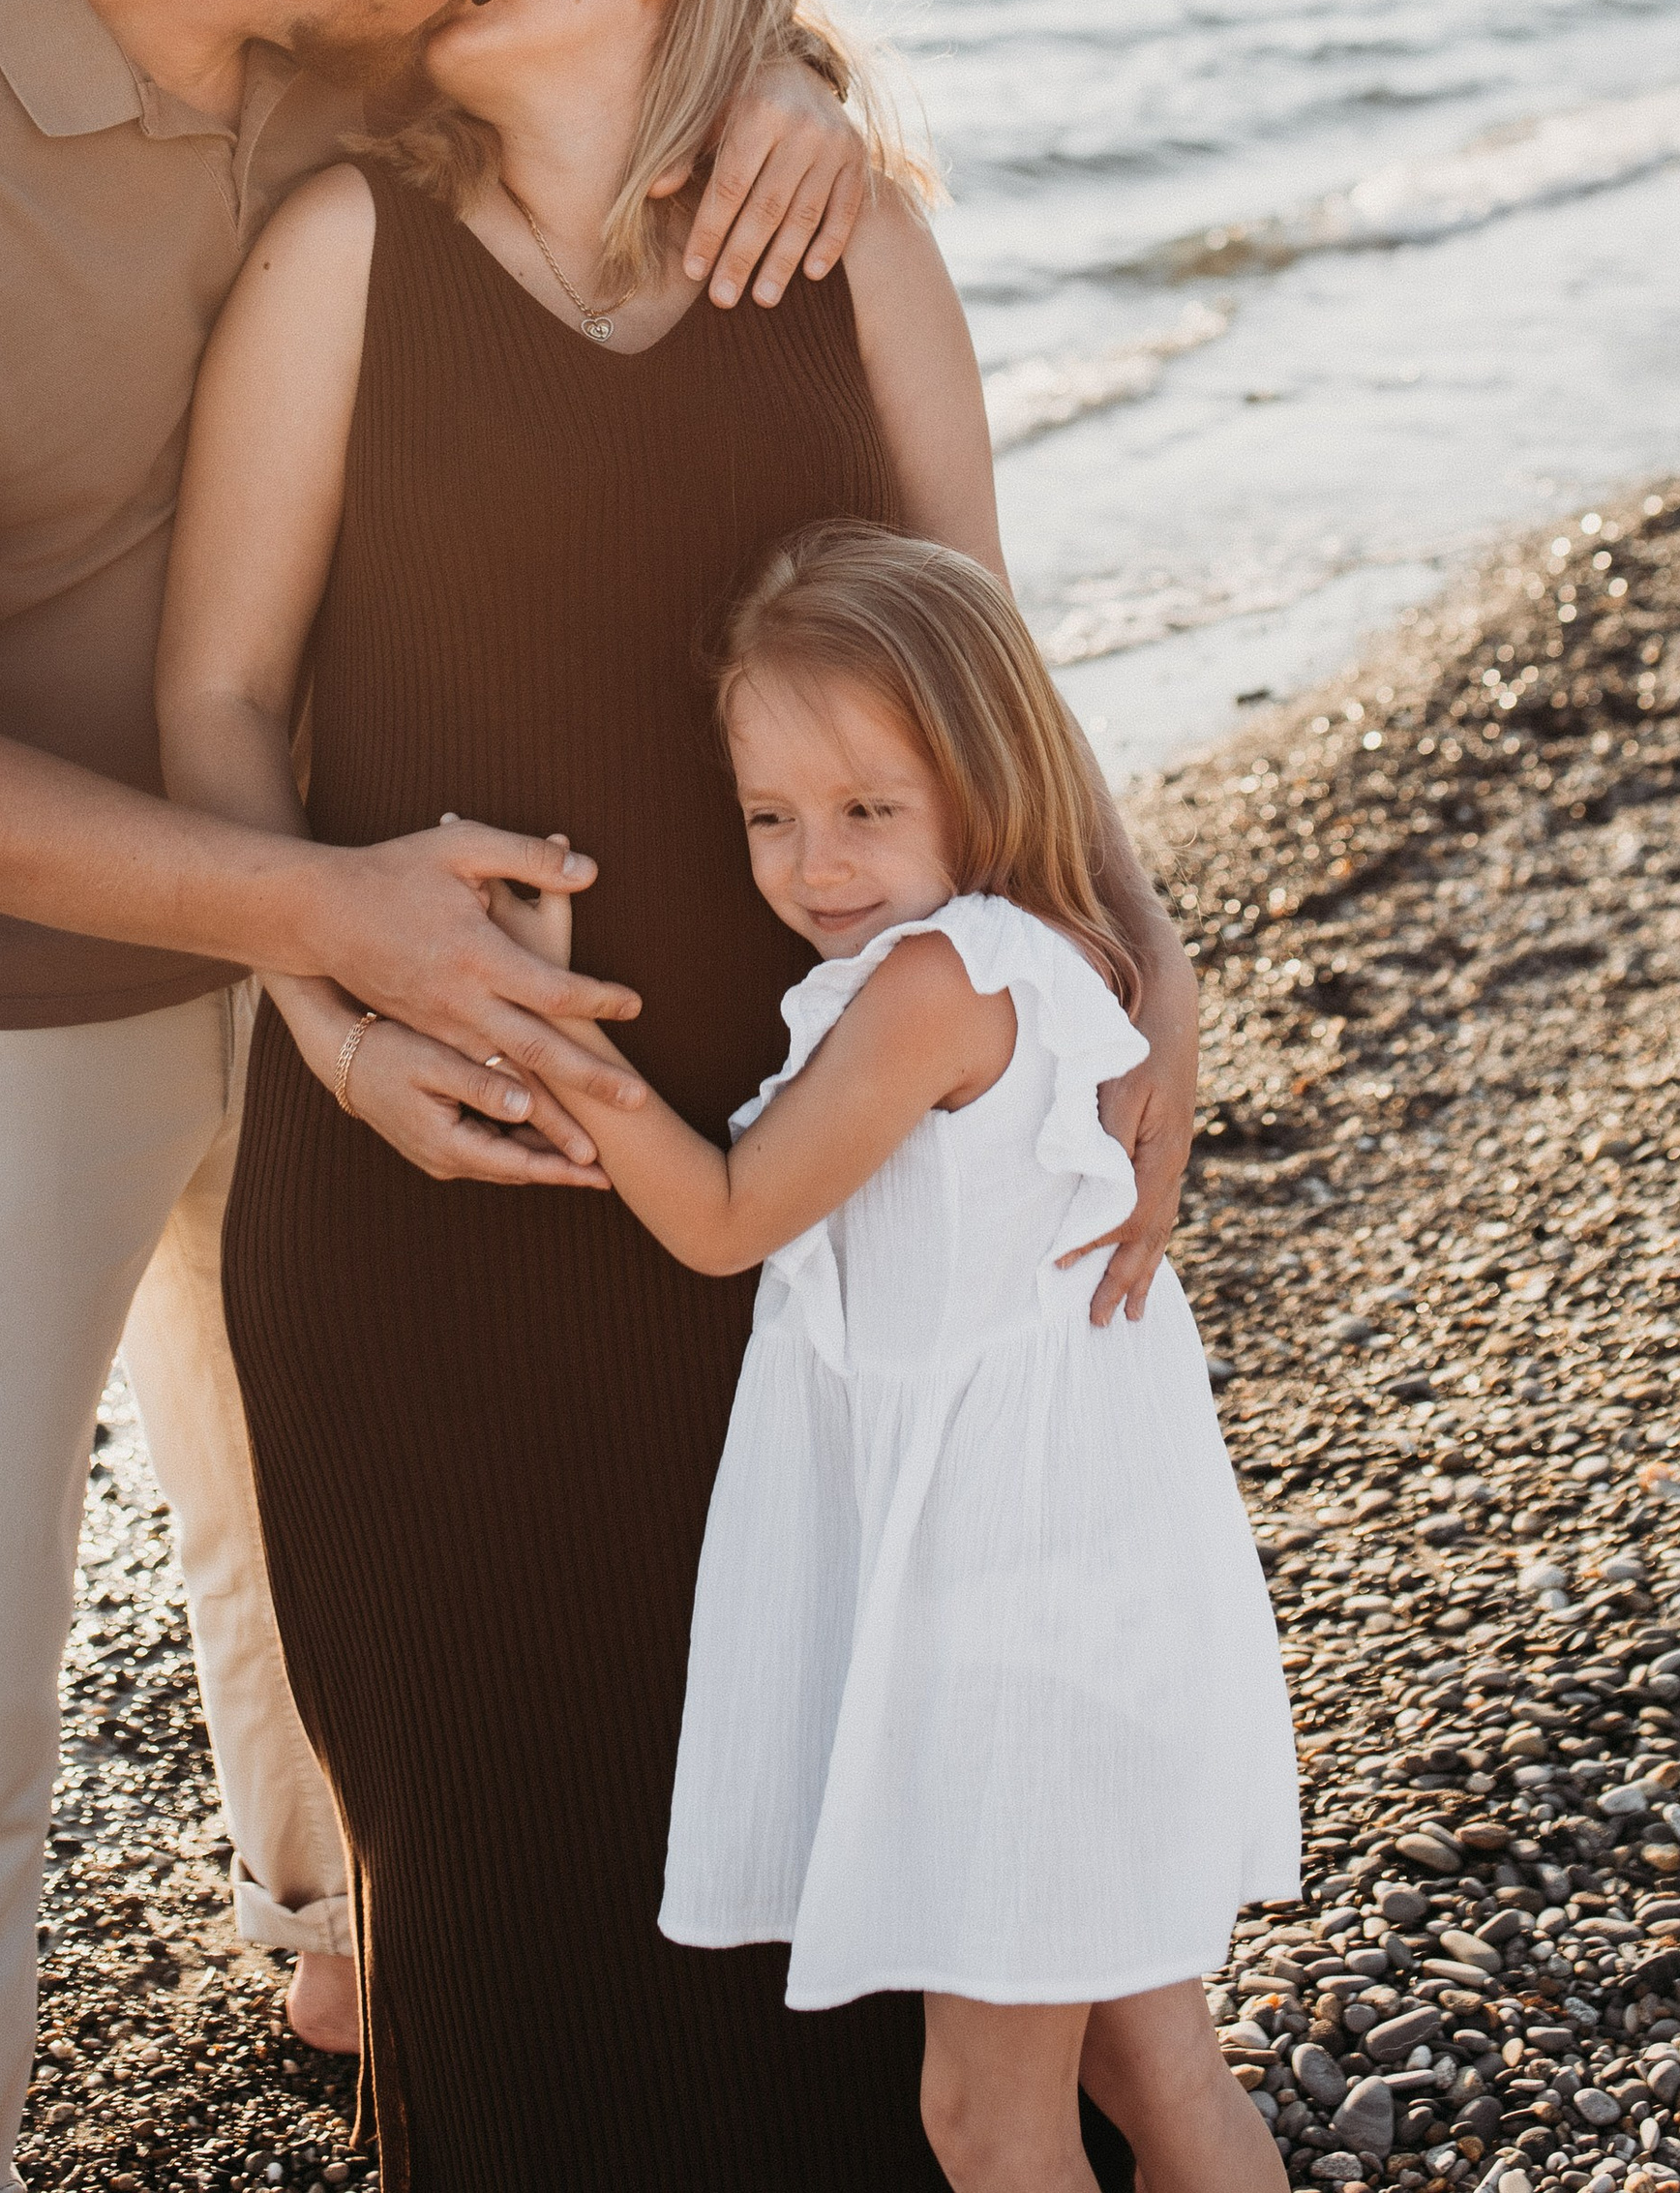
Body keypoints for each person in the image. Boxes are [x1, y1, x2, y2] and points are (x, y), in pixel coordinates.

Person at [0, 0, 869, 2193]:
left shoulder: (341, 16)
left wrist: (777, 65)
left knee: (283, 1506)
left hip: (342, 915)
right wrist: (315, 921)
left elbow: (611, 20)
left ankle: (325, 1940)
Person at [155, 0, 1204, 2189]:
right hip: (440, 1185)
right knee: (505, 1881)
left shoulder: (845, 241)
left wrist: (1141, 942)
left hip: (827, 1208)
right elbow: (214, 700)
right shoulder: (342, 248)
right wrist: (326, 1010)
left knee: (847, 1885)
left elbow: (987, 673)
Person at [516, 522, 1302, 2193]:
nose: (815, 867)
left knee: (986, 2120)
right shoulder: (1053, 946)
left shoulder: (935, 991)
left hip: (1009, 1620)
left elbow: (728, 1216)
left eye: (869, 810)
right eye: (770, 817)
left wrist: (555, 1039)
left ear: (986, 776)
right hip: (1087, 1577)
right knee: (1154, 2061)